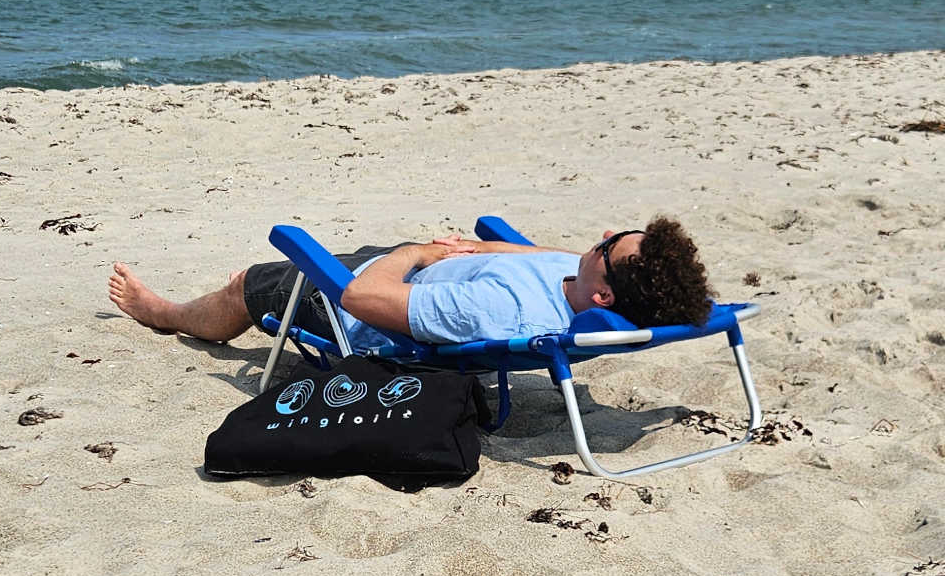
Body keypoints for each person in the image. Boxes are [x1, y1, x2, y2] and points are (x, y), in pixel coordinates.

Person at [107, 217, 713, 348]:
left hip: (357, 306)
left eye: (609, 245)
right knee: (280, 274)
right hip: (424, 272)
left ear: (603, 294)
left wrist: (414, 251)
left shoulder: (495, 308)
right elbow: (545, 256)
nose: (602, 235)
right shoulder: (571, 285)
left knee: (254, 285)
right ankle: (265, 284)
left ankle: (166, 312)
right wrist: (484, 247)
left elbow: (362, 298)